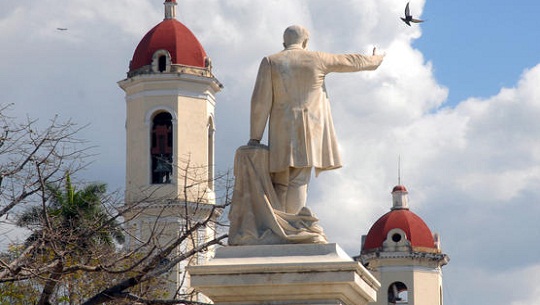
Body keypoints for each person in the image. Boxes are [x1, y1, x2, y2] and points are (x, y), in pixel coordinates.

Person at [248, 25, 384, 214]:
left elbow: (259, 103)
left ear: (284, 42)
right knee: (298, 180)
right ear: (305, 42)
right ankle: (292, 225)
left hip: (280, 130)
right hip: (307, 128)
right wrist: (374, 60)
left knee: (279, 181)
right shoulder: (316, 59)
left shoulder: (270, 62)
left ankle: (278, 225)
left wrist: (255, 137)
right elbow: (350, 61)